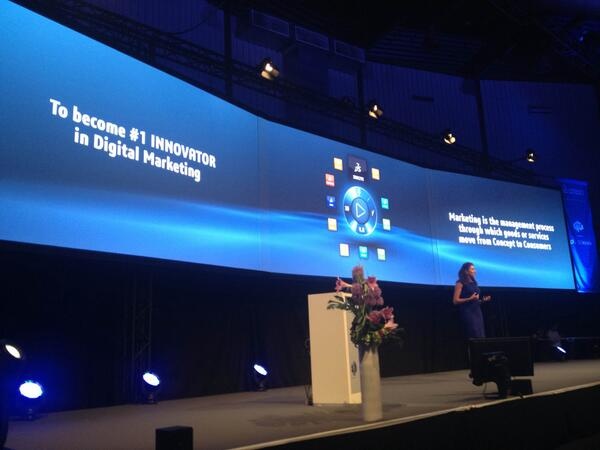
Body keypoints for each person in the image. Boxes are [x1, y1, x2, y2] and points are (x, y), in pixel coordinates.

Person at [453, 262, 491, 338]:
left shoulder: (474, 283)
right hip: (468, 313)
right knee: (473, 334)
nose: (475, 271)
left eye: (474, 269)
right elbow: (455, 301)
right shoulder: (460, 283)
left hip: (477, 312)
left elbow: (475, 301)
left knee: (480, 335)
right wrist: (469, 298)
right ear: (466, 271)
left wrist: (483, 301)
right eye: (472, 269)